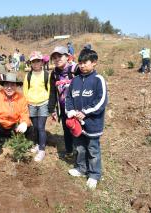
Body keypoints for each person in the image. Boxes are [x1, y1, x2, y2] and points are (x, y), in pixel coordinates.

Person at [65, 48, 108, 190]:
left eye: (85, 63)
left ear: (94, 63)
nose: (82, 66)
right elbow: (69, 98)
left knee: (93, 149)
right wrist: (70, 111)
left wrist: (85, 112)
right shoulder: (75, 80)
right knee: (79, 147)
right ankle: (81, 168)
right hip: (77, 124)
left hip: (93, 124)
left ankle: (94, 174)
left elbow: (101, 101)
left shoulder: (98, 80)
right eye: (80, 63)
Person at [48, 46, 80, 159]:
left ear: (67, 57)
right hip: (63, 107)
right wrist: (51, 109)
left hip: (78, 108)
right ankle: (69, 151)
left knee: (78, 130)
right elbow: (52, 92)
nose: (57, 59)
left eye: (60, 56)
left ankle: (80, 153)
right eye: (54, 58)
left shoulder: (76, 69)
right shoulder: (54, 74)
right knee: (66, 129)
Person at [0, 72, 31, 154]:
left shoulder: (22, 98)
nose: (9, 88)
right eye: (7, 85)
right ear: (3, 86)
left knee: (28, 128)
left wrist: (24, 123)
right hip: (0, 125)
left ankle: (17, 141)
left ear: (16, 86)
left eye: (12, 85)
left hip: (14, 126)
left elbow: (25, 114)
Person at [23, 51, 50, 162]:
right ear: (31, 63)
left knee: (41, 127)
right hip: (31, 104)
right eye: (33, 62)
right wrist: (26, 102)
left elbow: (49, 89)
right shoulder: (28, 75)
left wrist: (48, 101)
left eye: (38, 61)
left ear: (42, 62)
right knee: (35, 127)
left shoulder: (46, 75)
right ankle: (38, 144)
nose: (35, 64)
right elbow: (25, 90)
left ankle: (42, 149)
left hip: (43, 103)